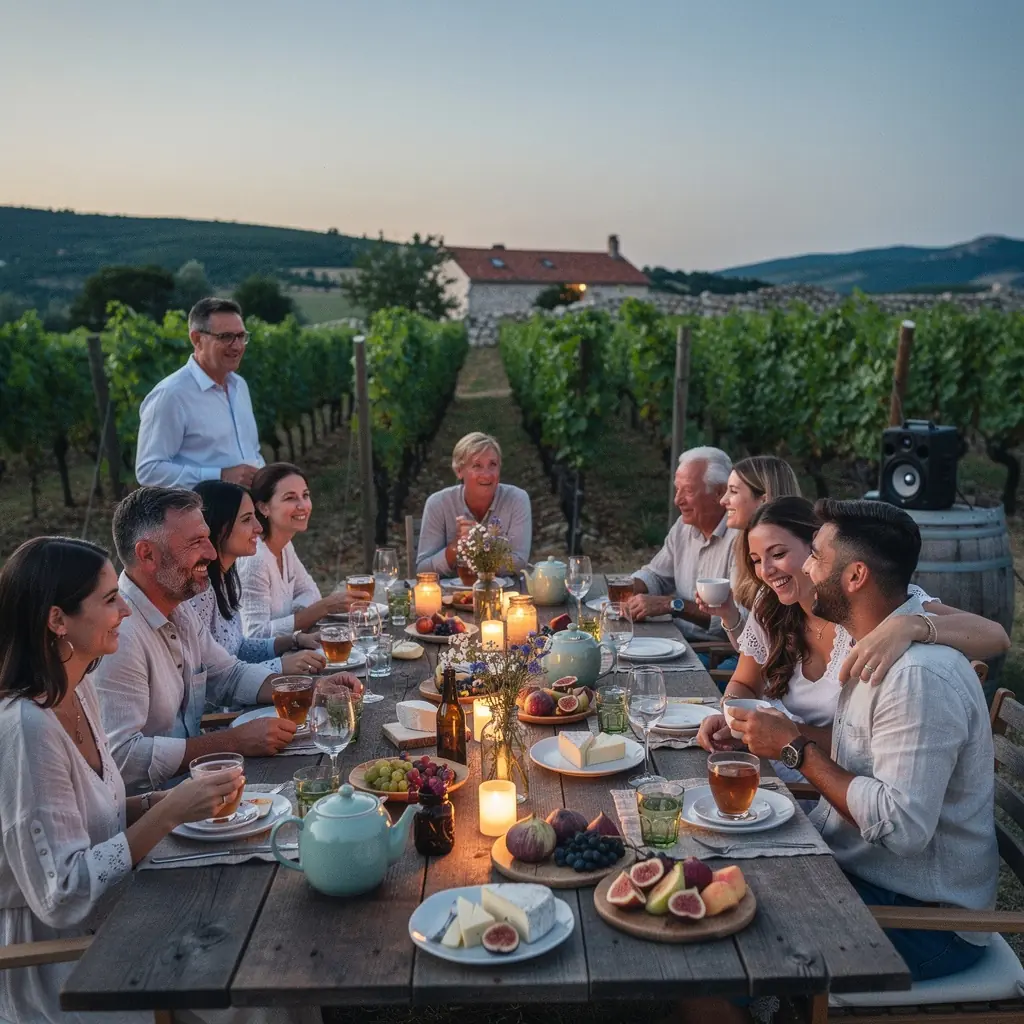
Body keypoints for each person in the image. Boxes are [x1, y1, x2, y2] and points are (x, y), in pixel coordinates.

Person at [729, 499, 1000, 983]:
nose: (807, 568)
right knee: (726, 883)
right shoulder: (869, 651)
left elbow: (900, 827)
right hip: (860, 874)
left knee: (731, 954)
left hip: (926, 921)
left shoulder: (917, 677)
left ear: (854, 577)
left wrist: (795, 749)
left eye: (815, 555)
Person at [0, 537, 246, 1024]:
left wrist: (167, 798)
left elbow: (97, 813)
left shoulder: (79, 687)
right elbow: (63, 891)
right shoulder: (27, 728)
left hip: (124, 911)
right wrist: (171, 813)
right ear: (57, 620)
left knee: (250, 941)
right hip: (68, 965)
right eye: (110, 600)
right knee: (244, 993)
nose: (126, 612)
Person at [697, 497, 1010, 780]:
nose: (765, 571)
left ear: (815, 548)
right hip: (781, 767)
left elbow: (996, 636)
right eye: (754, 560)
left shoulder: (867, 611)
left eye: (777, 554)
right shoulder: (773, 607)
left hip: (834, 783)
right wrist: (732, 715)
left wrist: (911, 626)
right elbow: (745, 684)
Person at [93, 487, 360, 794]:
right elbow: (123, 759)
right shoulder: (121, 634)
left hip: (202, 789)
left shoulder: (177, 610)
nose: (210, 552)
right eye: (196, 542)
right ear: (147, 555)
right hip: (160, 818)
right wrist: (233, 742)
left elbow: (229, 674)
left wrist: (313, 689)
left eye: (207, 538)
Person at [190, 480, 327, 675]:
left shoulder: (225, 577)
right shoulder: (199, 592)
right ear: (218, 525)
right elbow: (213, 676)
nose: (258, 527)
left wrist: (293, 640)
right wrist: (280, 665)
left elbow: (237, 648)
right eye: (246, 519)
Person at [135, 297, 265, 488]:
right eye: (226, 337)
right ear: (197, 339)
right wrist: (219, 476)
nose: (237, 346)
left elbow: (251, 452)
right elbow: (149, 470)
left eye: (241, 336)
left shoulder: (239, 386)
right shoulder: (171, 395)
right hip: (200, 515)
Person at [626, 446, 737, 643]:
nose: (677, 500)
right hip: (677, 639)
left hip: (714, 651)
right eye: (678, 489)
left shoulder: (740, 538)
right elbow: (656, 576)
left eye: (688, 491)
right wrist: (626, 588)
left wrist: (672, 604)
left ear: (719, 493)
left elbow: (735, 618)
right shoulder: (683, 527)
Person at [237, 463, 351, 639]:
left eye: (305, 495)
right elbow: (254, 636)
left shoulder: (285, 546)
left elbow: (312, 593)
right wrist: (321, 609)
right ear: (263, 507)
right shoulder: (255, 559)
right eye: (290, 498)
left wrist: (296, 615)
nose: (303, 505)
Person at [707, 455, 802, 645]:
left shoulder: (801, 569)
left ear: (763, 500)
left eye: (733, 491)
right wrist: (728, 613)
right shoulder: (743, 546)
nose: (723, 501)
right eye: (757, 560)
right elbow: (754, 650)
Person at [416, 432, 531, 574]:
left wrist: (479, 543)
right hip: (450, 595)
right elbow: (422, 570)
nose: (487, 474)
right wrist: (455, 547)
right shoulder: (438, 504)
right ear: (459, 471)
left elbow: (519, 562)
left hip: (502, 593)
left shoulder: (517, 499)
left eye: (493, 464)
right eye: (477, 465)